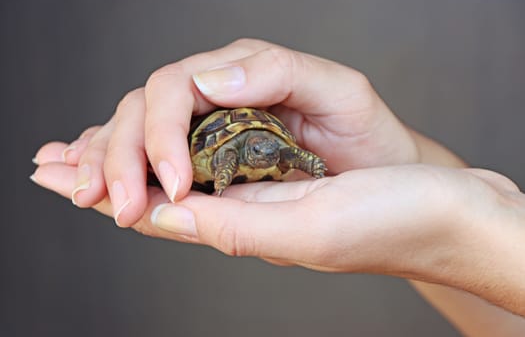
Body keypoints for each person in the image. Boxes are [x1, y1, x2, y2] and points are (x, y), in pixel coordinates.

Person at [31, 39, 525, 334]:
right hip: (217, 148)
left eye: (274, 152)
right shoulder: (237, 152)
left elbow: (290, 154)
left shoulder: (278, 151)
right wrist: (412, 168)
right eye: (264, 152)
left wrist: (468, 228)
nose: (269, 157)